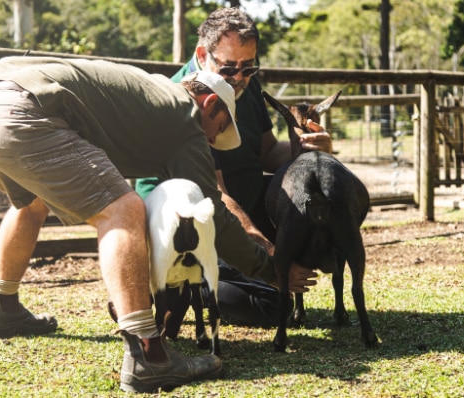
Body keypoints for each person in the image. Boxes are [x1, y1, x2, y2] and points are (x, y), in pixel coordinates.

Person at [0, 56, 276, 393]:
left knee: (31, 204)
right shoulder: (186, 115)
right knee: (123, 209)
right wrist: (269, 269)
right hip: (19, 113)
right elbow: (211, 212)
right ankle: (148, 355)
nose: (213, 141)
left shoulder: (148, 92)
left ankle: (1, 306)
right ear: (210, 103)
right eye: (220, 128)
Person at [136, 7, 330, 328]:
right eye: (228, 68)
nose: (239, 78)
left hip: (244, 207)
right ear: (202, 54)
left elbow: (267, 152)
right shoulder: (186, 99)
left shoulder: (245, 84)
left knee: (308, 191)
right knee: (269, 305)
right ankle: (183, 286)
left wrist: (304, 146)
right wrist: (269, 254)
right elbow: (216, 197)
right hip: (196, 223)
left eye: (248, 67)